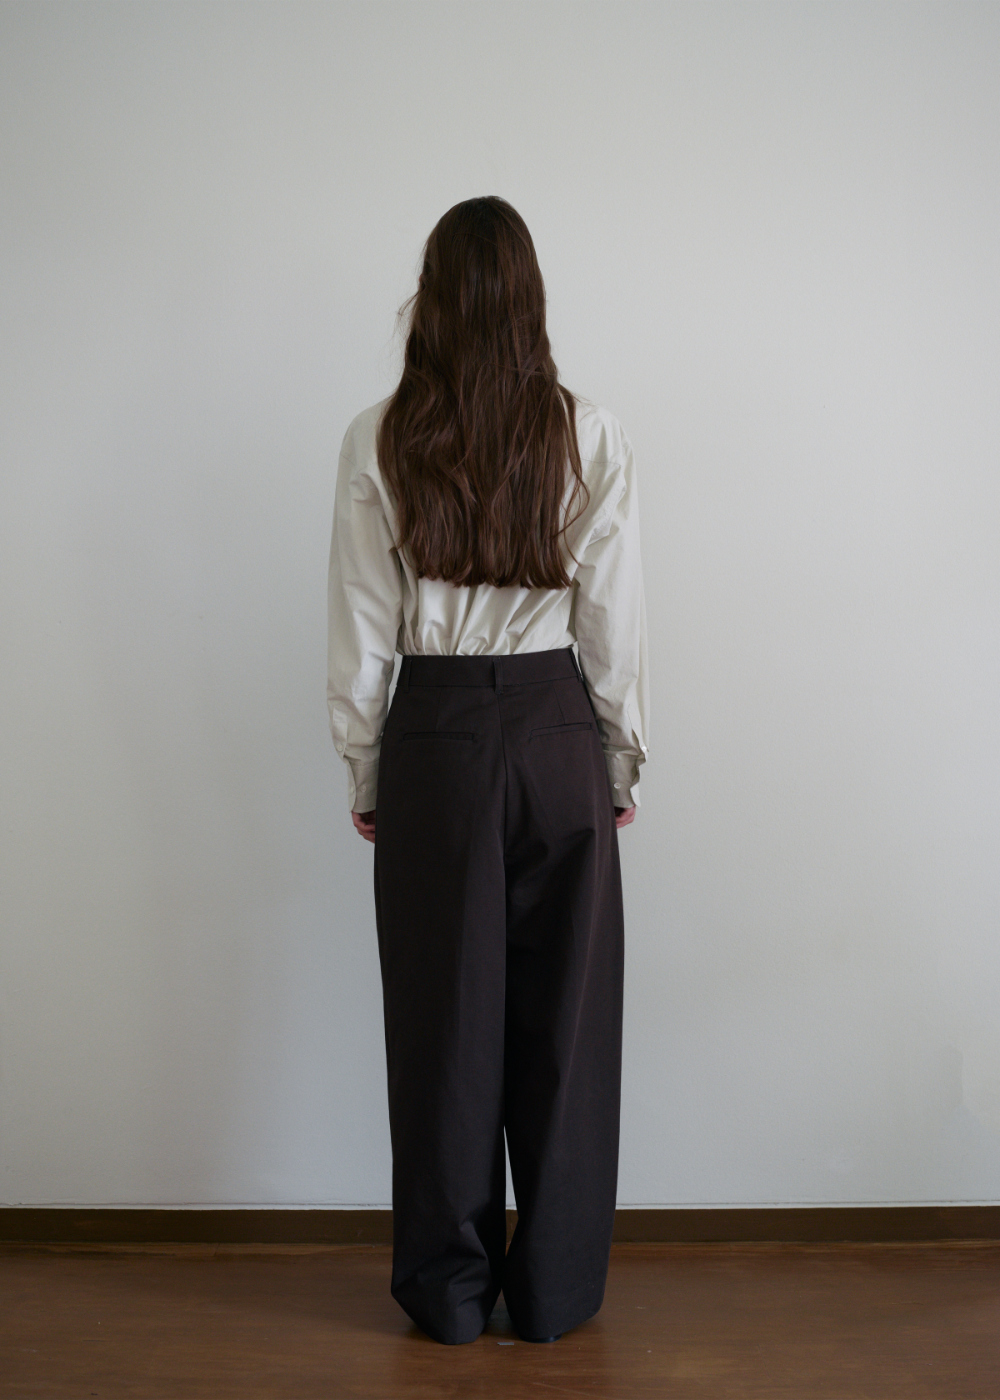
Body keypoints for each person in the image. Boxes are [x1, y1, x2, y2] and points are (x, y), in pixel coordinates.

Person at [326, 196, 649, 1346]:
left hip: (437, 736)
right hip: (557, 728)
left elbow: (363, 623)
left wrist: (369, 768)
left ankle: (450, 1292)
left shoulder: (379, 436)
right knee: (566, 1026)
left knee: (442, 1023)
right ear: (527, 299)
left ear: (431, 298)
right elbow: (612, 616)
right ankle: (553, 1291)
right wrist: (616, 756)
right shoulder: (587, 432)